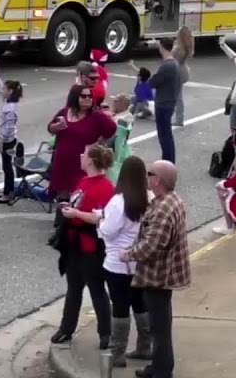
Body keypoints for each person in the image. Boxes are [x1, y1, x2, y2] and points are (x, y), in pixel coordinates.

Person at [121, 160, 190, 378]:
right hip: (165, 272)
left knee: (159, 327)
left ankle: (162, 371)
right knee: (160, 324)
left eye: (149, 173)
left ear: (157, 180)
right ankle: (158, 365)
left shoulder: (163, 209)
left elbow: (152, 246)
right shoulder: (171, 200)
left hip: (158, 275)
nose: (146, 177)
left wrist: (128, 254)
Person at [54, 144, 116, 346]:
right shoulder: (83, 181)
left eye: (84, 153)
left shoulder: (106, 187)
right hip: (74, 245)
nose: (81, 155)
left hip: (91, 247)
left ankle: (105, 333)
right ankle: (66, 328)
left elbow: (103, 218)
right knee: (73, 288)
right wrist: (68, 208)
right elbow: (78, 203)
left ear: (90, 160)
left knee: (96, 289)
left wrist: (76, 214)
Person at [98, 156, 151, 366]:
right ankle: (145, 346)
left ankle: (117, 352)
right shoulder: (150, 197)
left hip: (117, 262)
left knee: (119, 306)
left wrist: (100, 222)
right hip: (139, 260)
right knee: (140, 303)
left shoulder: (119, 202)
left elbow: (107, 231)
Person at [48, 84, 118, 199]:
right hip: (62, 163)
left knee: (78, 196)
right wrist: (56, 127)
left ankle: (75, 216)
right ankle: (62, 216)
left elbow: (112, 129)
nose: (88, 99)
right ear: (75, 97)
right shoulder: (65, 112)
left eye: (90, 96)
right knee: (62, 197)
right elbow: (50, 128)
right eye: (84, 96)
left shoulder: (96, 116)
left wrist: (99, 143)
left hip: (81, 164)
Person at [0, 58, 23, 204]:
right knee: (6, 167)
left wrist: (1, 141)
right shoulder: (9, 102)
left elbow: (9, 129)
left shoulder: (10, 108)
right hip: (9, 140)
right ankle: (8, 191)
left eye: (4, 89)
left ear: (10, 92)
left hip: (8, 141)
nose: (1, 90)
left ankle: (8, 193)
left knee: (7, 168)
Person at [146, 38, 181, 163]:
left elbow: (153, 82)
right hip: (169, 101)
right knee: (166, 134)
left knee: (164, 135)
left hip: (163, 103)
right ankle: (169, 159)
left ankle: (167, 160)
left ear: (162, 47)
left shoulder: (167, 66)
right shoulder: (174, 63)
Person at [107, 95, 134, 183]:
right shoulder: (120, 115)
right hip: (119, 147)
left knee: (114, 171)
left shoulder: (124, 118)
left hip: (118, 149)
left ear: (123, 105)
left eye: (116, 102)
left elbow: (119, 138)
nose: (113, 104)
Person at [171, 26, 194, 127]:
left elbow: (171, 57)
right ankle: (178, 118)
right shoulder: (188, 45)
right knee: (177, 95)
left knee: (177, 97)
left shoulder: (178, 46)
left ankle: (179, 119)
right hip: (184, 69)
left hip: (177, 71)